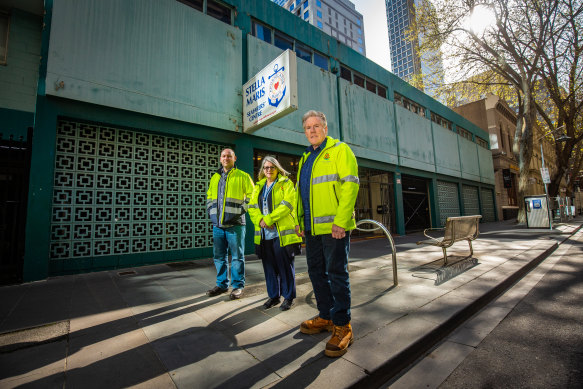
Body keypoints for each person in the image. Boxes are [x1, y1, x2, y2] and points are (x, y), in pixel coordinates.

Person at [295, 110, 359, 357]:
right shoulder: (305, 159)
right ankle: (326, 316)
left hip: (334, 228)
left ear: (325, 128)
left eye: (316, 126)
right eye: (308, 127)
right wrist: (301, 221)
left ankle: (343, 326)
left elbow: (350, 185)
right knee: (316, 273)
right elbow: (302, 194)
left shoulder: (340, 150)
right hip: (312, 230)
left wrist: (341, 221)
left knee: (337, 274)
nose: (312, 130)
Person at [248, 156, 302, 311]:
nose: (269, 170)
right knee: (269, 267)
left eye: (272, 167)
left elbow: (288, 204)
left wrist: (269, 219)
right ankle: (273, 296)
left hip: (281, 234)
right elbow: (252, 207)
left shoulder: (286, 184)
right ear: (262, 171)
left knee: (285, 266)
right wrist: (260, 221)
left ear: (278, 169)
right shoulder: (258, 186)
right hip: (264, 234)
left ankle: (288, 297)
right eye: (266, 168)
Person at [206, 148, 254, 300]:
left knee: (237, 257)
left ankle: (237, 286)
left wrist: (241, 210)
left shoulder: (243, 176)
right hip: (218, 225)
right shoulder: (215, 177)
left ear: (235, 158)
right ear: (220, 159)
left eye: (229, 156)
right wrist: (210, 211)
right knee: (219, 256)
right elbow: (209, 196)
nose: (226, 158)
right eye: (224, 156)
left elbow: (253, 195)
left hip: (236, 224)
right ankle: (221, 284)